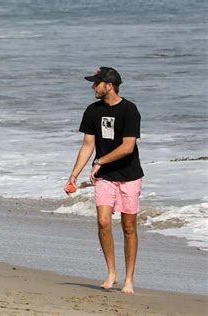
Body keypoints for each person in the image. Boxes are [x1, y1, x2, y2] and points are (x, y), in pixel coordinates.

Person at [65, 67, 144, 294]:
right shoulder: (92, 111)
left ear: (109, 85)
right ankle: (111, 272)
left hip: (129, 175)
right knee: (103, 222)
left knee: (128, 226)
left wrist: (100, 161)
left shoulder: (130, 110)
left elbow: (128, 147)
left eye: (96, 83)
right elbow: (87, 145)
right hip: (105, 177)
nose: (93, 87)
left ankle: (129, 279)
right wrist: (73, 175)